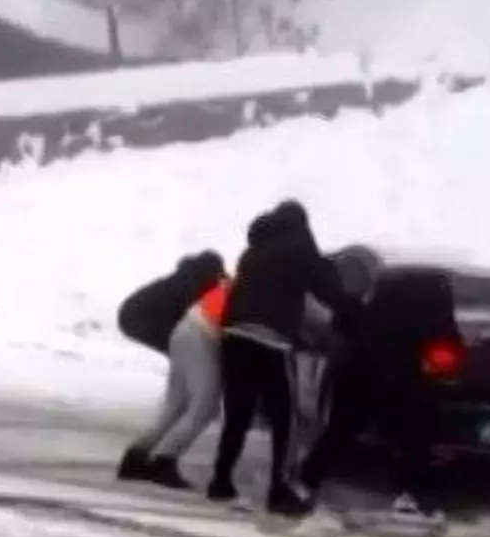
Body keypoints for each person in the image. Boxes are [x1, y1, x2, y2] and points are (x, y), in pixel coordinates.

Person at [208, 201, 356, 514]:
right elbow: (330, 291)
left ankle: (220, 482)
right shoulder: (300, 250)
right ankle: (279, 492)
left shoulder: (254, 252)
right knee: (283, 420)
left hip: (234, 337)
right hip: (270, 340)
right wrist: (353, 308)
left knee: (238, 415)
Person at [302, 264, 456, 521]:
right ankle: (412, 496)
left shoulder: (379, 293)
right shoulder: (436, 296)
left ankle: (306, 481)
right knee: (414, 438)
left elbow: (344, 322)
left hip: (364, 371)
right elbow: (448, 337)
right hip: (407, 376)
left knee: (339, 431)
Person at [115, 249, 228, 488]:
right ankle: (163, 462)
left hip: (179, 332)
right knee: (204, 407)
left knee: (177, 405)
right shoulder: (199, 286)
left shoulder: (201, 282)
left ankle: (135, 457)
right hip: (192, 334)